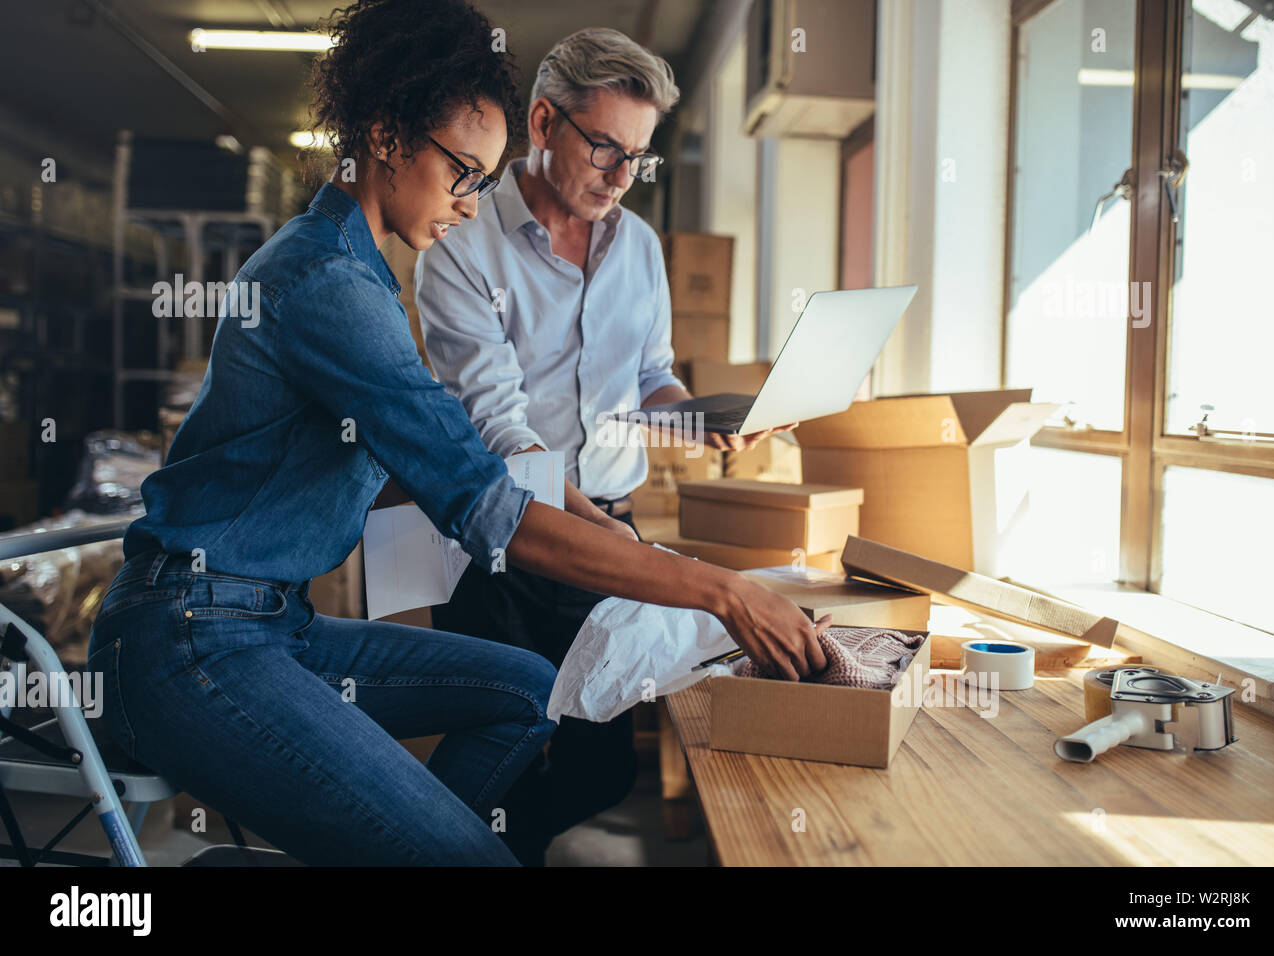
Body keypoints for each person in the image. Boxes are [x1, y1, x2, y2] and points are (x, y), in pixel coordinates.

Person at [84, 0, 826, 867]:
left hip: (273, 623)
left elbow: (432, 467)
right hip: (189, 634)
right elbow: (490, 502)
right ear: (387, 136)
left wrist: (604, 502)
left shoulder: (356, 267)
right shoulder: (330, 285)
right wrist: (718, 590)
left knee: (527, 693)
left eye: (483, 179)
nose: (473, 205)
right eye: (463, 174)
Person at [416, 27, 792, 865]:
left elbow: (649, 379)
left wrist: (705, 421)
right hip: (505, 540)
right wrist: (594, 530)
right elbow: (500, 428)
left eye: (639, 158)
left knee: (599, 767)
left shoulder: (641, 249)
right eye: (605, 149)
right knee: (501, 748)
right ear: (544, 122)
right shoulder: (462, 244)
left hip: (611, 527)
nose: (622, 177)